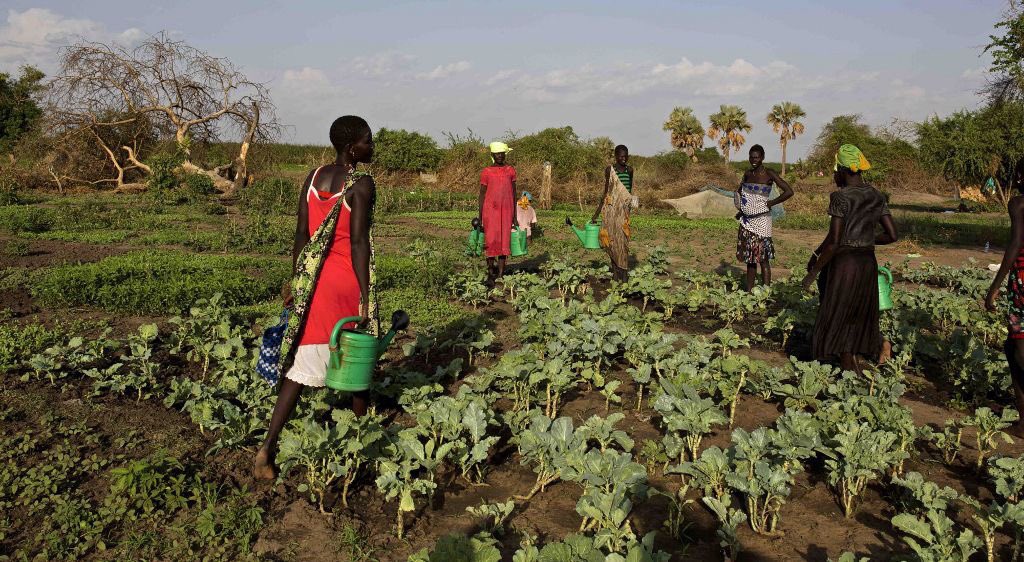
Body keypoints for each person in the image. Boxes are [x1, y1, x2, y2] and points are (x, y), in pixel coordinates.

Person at [254, 115, 377, 480]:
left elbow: (300, 235)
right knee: (356, 355)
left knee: (303, 362)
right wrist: (366, 296)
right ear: (352, 147)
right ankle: (359, 445)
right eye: (369, 141)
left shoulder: (312, 178)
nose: (373, 147)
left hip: (313, 281)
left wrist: (296, 280)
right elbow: (357, 244)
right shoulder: (362, 184)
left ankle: (268, 446)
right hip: (343, 281)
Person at [802, 144, 898, 373]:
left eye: (835, 171)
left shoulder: (840, 197)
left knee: (838, 313)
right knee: (857, 313)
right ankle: (857, 359)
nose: (834, 175)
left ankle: (849, 369)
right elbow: (892, 235)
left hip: (845, 264)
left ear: (843, 170)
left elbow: (835, 241)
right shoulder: (876, 195)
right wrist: (864, 239)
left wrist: (813, 272)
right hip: (866, 263)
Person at [985, 161, 1024, 434]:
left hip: (1023, 280)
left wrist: (994, 287)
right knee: (1012, 347)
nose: (1017, 177)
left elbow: (1015, 244)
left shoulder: (1019, 204)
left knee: (1020, 348)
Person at [734, 145, 793, 291]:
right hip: (747, 221)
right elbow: (740, 192)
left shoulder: (769, 173)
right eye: (751, 157)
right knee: (750, 259)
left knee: (763, 259)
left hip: (762, 221)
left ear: (762, 157)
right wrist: (741, 209)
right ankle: (749, 291)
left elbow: (789, 191)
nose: (754, 160)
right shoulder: (747, 174)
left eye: (757, 157)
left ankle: (766, 291)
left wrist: (771, 203)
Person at [591, 145, 634, 282]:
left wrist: (629, 209)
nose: (623, 158)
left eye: (625, 156)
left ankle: (624, 273)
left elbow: (628, 193)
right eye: (621, 156)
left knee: (623, 242)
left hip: (623, 212)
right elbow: (606, 192)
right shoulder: (610, 170)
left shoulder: (630, 170)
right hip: (610, 211)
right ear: (615, 156)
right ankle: (616, 273)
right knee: (611, 241)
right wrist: (597, 213)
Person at [478, 141, 518, 285]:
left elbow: (514, 194)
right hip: (490, 212)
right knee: (490, 242)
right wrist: (480, 216)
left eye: (502, 153)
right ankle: (490, 272)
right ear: (492, 155)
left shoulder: (510, 170)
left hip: (507, 212)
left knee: (503, 242)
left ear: (504, 154)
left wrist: (515, 217)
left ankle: (500, 274)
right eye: (497, 154)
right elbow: (482, 195)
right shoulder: (486, 172)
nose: (500, 156)